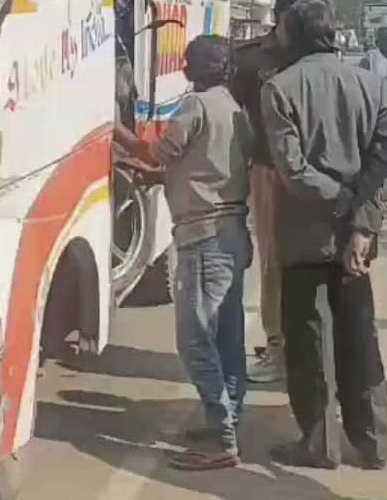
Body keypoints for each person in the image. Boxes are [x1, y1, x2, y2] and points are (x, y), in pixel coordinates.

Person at [261, 0, 387, 470]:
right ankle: (373, 441)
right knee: (360, 334)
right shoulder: (373, 86)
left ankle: (319, 443)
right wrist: (362, 219)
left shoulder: (279, 88)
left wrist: (341, 200)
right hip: (356, 238)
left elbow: (293, 169)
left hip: (304, 235)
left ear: (293, 34)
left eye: (280, 30)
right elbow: (384, 163)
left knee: (309, 341)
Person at [137, 35, 253, 471]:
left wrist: (114, 133)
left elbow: (157, 153)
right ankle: (227, 419)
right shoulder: (235, 109)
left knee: (195, 341)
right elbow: (206, 167)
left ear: (189, 70)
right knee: (228, 338)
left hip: (203, 238)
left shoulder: (194, 106)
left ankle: (221, 437)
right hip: (233, 233)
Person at [229, 0, 330, 384]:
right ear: (280, 18)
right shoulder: (250, 59)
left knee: (317, 261)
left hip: (320, 172)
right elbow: (232, 117)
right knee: (274, 260)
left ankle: (309, 345)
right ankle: (278, 347)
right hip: (270, 171)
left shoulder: (321, 58)